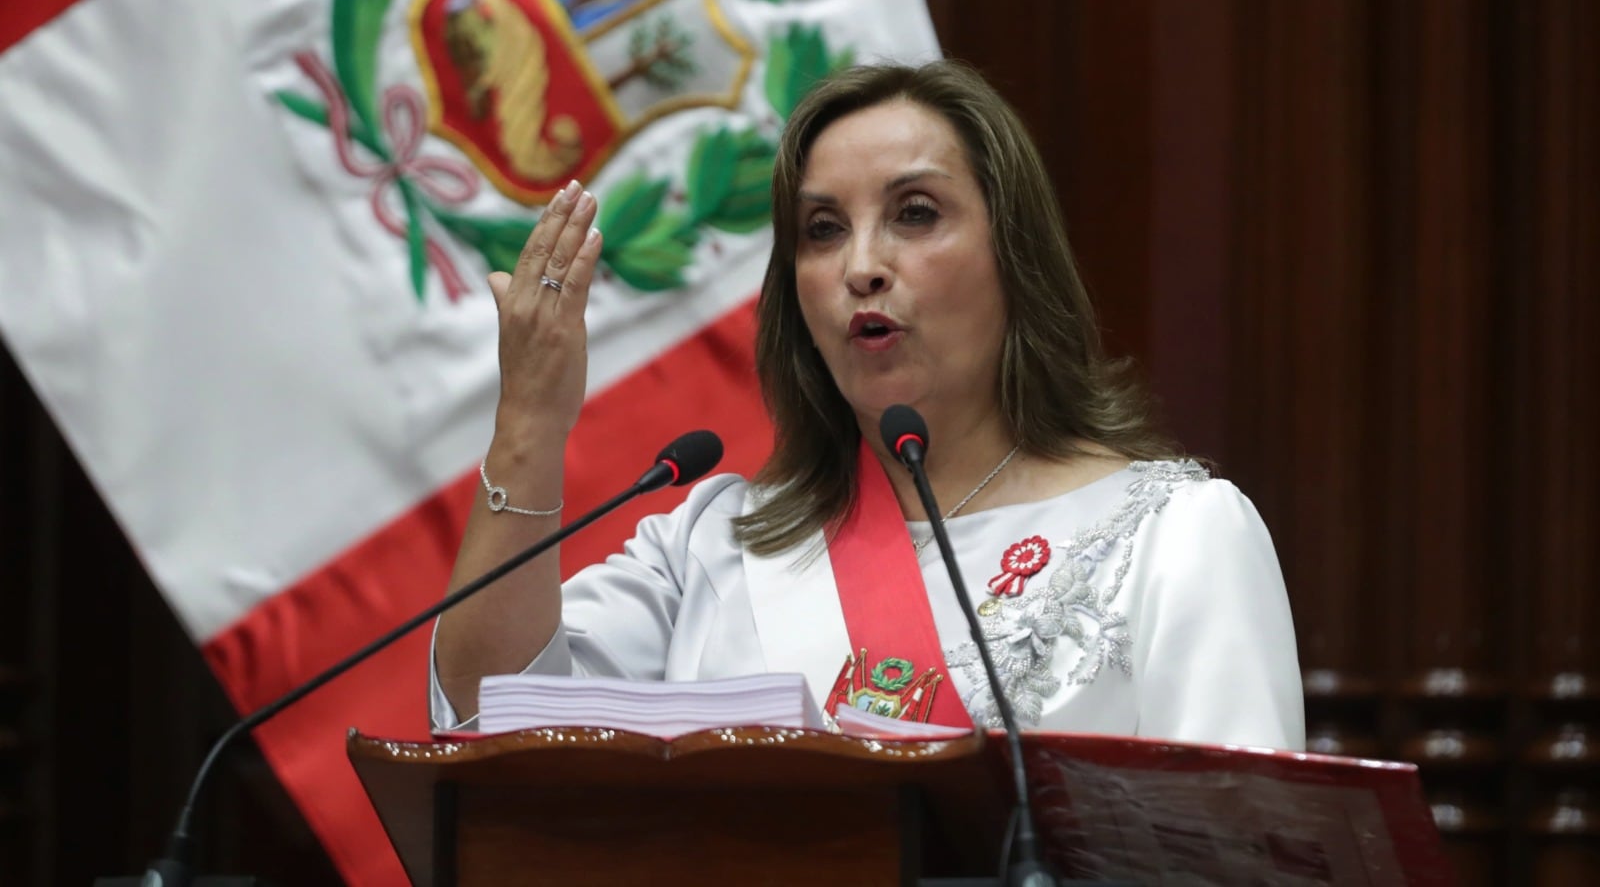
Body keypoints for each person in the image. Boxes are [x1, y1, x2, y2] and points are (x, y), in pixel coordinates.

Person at [431, 59, 1304, 748]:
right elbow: (487, 721)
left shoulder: (1175, 534)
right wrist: (531, 425)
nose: (861, 267)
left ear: (1015, 255)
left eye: (916, 214)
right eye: (822, 230)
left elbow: (1247, 851)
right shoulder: (711, 545)